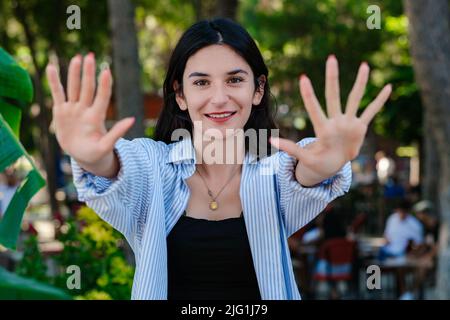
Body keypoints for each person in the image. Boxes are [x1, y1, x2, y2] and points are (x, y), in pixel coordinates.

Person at [45, 18, 392, 300]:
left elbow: (302, 174)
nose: (219, 98)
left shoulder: (271, 173)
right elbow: (120, 168)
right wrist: (92, 158)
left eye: (235, 79)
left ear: (257, 90)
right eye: (201, 83)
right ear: (180, 95)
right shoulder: (154, 167)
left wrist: (324, 163)